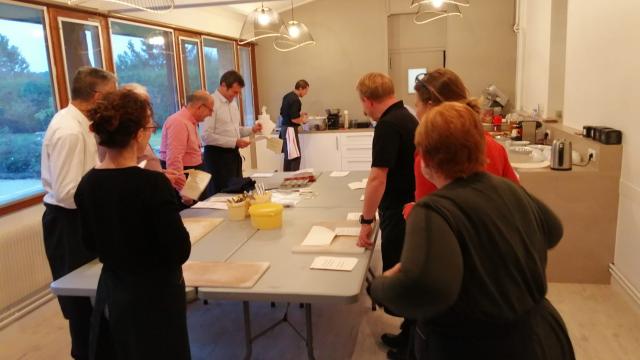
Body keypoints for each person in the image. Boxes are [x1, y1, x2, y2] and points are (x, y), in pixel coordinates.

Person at [370, 102, 575, 360]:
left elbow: (424, 290)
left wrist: (379, 286)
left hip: (475, 345)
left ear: (427, 159)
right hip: (542, 333)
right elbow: (553, 231)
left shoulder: (434, 209)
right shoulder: (509, 189)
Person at [74, 88, 191, 359]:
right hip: (157, 292)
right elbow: (179, 250)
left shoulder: (87, 184)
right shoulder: (152, 184)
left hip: (117, 290)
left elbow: (89, 243)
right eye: (149, 127)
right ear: (139, 134)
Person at [40, 66, 116, 360]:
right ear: (97, 96)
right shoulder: (69, 130)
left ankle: (105, 350)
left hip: (80, 217)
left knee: (97, 296)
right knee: (80, 302)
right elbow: (68, 193)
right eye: (111, 95)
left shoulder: (84, 122)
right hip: (68, 223)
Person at [355, 73, 418, 360]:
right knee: (410, 274)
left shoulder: (388, 126)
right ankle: (410, 336)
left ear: (368, 100)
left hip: (400, 210)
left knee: (404, 279)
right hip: (410, 205)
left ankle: (412, 347)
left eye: (363, 103)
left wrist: (366, 222)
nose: (364, 109)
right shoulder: (406, 116)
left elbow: (378, 177)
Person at [403, 68, 519, 218]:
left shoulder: (429, 154)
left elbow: (427, 218)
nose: (416, 112)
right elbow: (515, 201)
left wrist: (413, 211)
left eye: (417, 105)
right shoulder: (493, 146)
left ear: (430, 107)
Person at [201, 70, 261, 195]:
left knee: (237, 192)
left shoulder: (233, 104)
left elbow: (234, 130)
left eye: (238, 93)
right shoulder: (211, 102)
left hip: (233, 156)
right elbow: (206, 136)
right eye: (234, 92)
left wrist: (251, 129)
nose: (236, 95)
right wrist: (234, 142)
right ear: (223, 85)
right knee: (221, 195)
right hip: (217, 158)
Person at [160, 90, 213, 200]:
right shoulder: (178, 122)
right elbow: (174, 159)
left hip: (193, 174)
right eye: (210, 110)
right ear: (200, 107)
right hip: (184, 175)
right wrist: (184, 190)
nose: (210, 114)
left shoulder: (190, 122)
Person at [279, 79, 310, 171]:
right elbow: (293, 119)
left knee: (288, 157)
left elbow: (283, 113)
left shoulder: (287, 96)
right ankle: (293, 180)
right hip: (290, 130)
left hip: (284, 129)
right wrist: (303, 120)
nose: (306, 93)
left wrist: (299, 114)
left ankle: (285, 179)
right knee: (295, 157)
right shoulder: (296, 100)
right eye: (306, 91)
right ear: (300, 88)